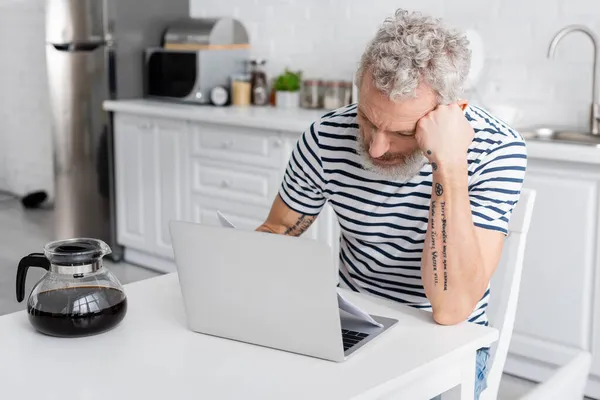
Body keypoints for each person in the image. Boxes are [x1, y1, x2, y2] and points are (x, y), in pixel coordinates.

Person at [256, 8, 527, 399]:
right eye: (367, 119)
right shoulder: (326, 136)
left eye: (401, 132)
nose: (375, 147)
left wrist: (448, 165)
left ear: (451, 114)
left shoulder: (496, 151)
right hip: (352, 325)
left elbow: (451, 310)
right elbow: (278, 229)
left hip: (445, 343)